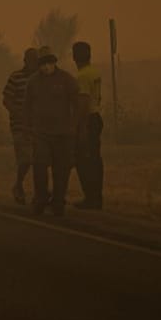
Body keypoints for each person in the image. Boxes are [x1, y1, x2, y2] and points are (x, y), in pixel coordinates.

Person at [25, 48, 80, 218]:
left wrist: (74, 127)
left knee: (61, 169)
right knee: (40, 165)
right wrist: (28, 128)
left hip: (63, 133)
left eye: (49, 63)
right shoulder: (33, 82)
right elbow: (26, 107)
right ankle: (40, 199)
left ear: (55, 62)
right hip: (41, 132)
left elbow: (77, 104)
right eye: (42, 64)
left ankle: (58, 202)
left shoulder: (67, 80)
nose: (46, 67)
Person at [1, 47, 39, 205]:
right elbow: (7, 99)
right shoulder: (16, 77)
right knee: (25, 159)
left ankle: (39, 192)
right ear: (25, 61)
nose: (33, 64)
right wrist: (17, 113)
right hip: (19, 125)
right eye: (31, 61)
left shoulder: (40, 78)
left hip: (38, 125)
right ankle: (18, 184)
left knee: (39, 160)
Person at [71, 40, 105, 209]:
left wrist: (80, 127)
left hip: (87, 120)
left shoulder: (82, 76)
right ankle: (97, 196)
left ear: (74, 57)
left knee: (83, 160)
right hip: (96, 116)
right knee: (95, 159)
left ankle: (90, 197)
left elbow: (83, 104)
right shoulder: (94, 72)